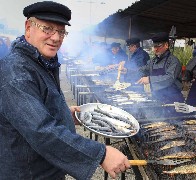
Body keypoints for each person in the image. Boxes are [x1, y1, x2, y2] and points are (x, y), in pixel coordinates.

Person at [0, 1, 130, 179]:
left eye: (61, 31)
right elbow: (41, 131)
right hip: (29, 173)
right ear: (28, 27)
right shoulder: (17, 70)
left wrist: (62, 112)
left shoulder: (38, 61)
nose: (55, 37)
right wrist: (101, 154)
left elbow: (32, 109)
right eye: (47, 28)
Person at [137, 32, 184, 104]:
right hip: (157, 98)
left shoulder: (173, 61)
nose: (155, 49)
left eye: (158, 46)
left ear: (166, 45)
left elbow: (169, 78)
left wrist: (149, 79)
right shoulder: (153, 61)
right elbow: (143, 69)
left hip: (172, 100)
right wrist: (127, 70)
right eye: (154, 46)